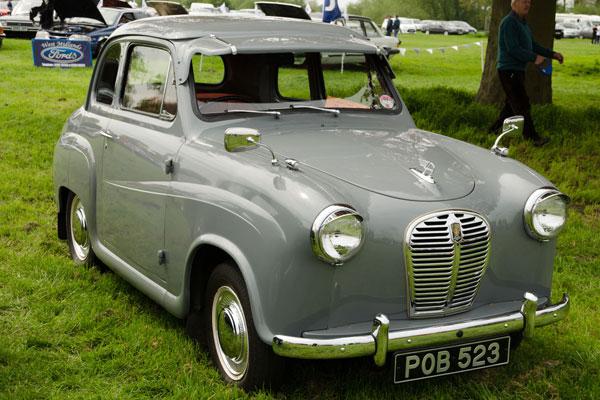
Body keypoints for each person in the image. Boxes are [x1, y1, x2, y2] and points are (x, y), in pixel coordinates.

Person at [489, 0, 564, 147]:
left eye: (529, 2)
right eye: (524, 1)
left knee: (511, 106)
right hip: (508, 70)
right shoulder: (509, 22)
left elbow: (533, 45)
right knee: (522, 105)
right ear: (514, 4)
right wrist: (534, 57)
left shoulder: (523, 23)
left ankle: (493, 131)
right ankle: (533, 138)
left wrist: (552, 54)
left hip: (518, 70)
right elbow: (513, 48)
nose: (527, 5)